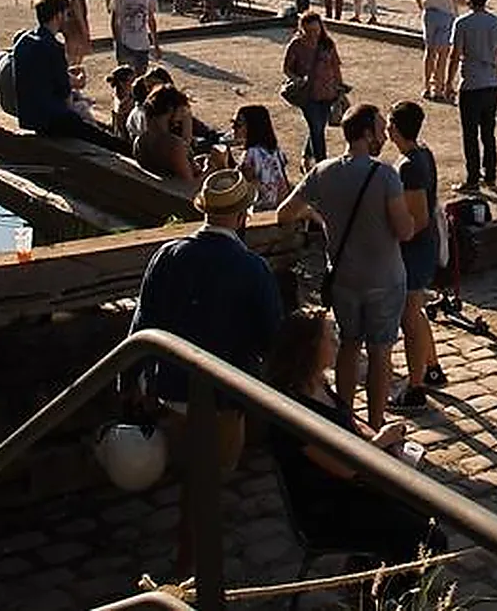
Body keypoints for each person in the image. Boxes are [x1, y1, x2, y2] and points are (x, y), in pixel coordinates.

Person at [125, 169, 283, 580]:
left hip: (170, 387)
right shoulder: (251, 268)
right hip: (222, 395)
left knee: (193, 474)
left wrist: (130, 384)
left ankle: (190, 548)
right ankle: (191, 561)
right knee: (209, 480)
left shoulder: (168, 255)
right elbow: (272, 336)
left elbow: (142, 323)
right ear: (243, 214)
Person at [265, 308, 445, 599]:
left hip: (354, 487)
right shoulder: (293, 411)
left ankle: (372, 576)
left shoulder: (319, 384)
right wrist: (381, 441)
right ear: (310, 348)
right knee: (428, 538)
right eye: (330, 337)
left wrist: (381, 439)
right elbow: (344, 467)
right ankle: (387, 596)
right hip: (329, 504)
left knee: (426, 507)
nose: (337, 342)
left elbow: (348, 420)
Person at [276, 104, 416, 431]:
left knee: (349, 346)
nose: (384, 135)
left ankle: (345, 418)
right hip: (384, 277)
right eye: (380, 130)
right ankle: (377, 422)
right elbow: (404, 229)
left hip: (343, 278)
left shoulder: (323, 172)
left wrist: (318, 216)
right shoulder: (384, 175)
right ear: (367, 134)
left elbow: (285, 213)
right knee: (380, 352)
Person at [387, 100, 447, 410]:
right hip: (424, 247)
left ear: (395, 128)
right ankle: (432, 367)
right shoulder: (423, 153)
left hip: (414, 250)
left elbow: (418, 217)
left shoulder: (409, 165)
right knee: (416, 310)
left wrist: (396, 234)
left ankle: (416, 385)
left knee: (408, 318)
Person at [13, 0, 129, 152]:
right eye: (67, 14)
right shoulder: (53, 47)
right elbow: (65, 95)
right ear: (58, 15)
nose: (68, 19)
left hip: (29, 117)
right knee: (108, 141)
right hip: (52, 119)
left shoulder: (23, 41)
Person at [448, 0, 497, 193]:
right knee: (488, 133)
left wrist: (448, 82)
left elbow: (454, 55)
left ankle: (473, 178)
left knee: (470, 135)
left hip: (471, 84)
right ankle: (491, 175)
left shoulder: (462, 23)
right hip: (491, 84)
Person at [282, 11, 345, 168]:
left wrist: (340, 89)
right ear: (302, 29)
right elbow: (287, 68)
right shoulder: (296, 45)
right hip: (308, 95)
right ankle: (321, 165)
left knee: (318, 127)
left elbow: (335, 68)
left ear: (321, 28)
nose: (313, 35)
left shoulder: (328, 44)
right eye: (309, 31)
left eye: (316, 31)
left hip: (327, 93)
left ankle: (307, 155)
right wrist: (296, 78)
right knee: (317, 129)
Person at [134, 85, 227, 181]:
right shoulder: (173, 144)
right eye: (181, 112)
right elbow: (189, 186)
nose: (181, 118)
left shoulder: (140, 141)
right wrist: (211, 168)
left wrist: (192, 162)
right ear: (170, 109)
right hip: (176, 194)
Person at [414, 0, 464, 102]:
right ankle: (439, 88)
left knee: (429, 52)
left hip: (429, 12)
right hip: (446, 13)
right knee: (443, 53)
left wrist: (423, 8)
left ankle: (427, 87)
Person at [234, 104, 291, 211]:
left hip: (260, 208)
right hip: (279, 205)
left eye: (238, 125)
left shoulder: (250, 154)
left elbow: (243, 186)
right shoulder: (276, 151)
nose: (234, 129)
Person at [110, 0, 162, 74]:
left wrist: (155, 44)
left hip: (143, 44)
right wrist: (118, 42)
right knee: (126, 78)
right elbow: (115, 20)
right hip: (125, 43)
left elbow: (151, 20)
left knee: (141, 78)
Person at [107, 64, 137, 146]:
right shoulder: (126, 100)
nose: (134, 84)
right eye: (131, 81)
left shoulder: (121, 94)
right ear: (122, 83)